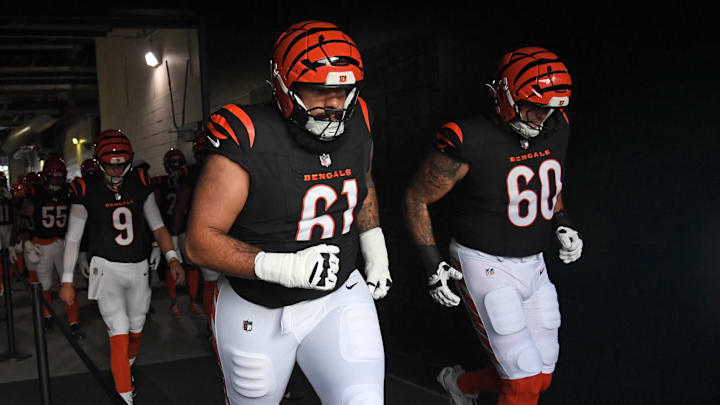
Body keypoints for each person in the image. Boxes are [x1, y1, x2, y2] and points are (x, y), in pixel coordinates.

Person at [184, 20, 392, 405]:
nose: (334, 103)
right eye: (320, 90)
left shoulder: (359, 117)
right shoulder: (247, 134)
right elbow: (198, 243)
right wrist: (285, 267)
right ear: (283, 85)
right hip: (256, 305)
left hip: (339, 294)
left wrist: (372, 243)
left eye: (343, 90)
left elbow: (361, 181)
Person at [404, 47, 583, 405]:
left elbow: (549, 182)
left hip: (534, 262)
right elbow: (417, 198)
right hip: (484, 263)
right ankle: (461, 384)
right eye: (534, 107)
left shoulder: (555, 125)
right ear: (505, 95)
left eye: (550, 109)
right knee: (522, 382)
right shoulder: (468, 138)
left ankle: (460, 384)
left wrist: (562, 221)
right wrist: (432, 265)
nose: (541, 119)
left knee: (541, 376)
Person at [59, 129, 185, 405]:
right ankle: (125, 396)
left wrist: (172, 256)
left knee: (136, 330)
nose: (116, 169)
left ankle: (125, 371)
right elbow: (73, 236)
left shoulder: (139, 181)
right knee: (119, 328)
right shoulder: (85, 187)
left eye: (121, 162)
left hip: (139, 267)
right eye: (111, 163)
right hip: (106, 268)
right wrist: (66, 280)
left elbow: (158, 225)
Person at [21, 157, 86, 338]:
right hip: (42, 243)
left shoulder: (69, 191)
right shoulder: (36, 193)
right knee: (45, 284)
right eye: (54, 177)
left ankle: (74, 322)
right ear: (45, 177)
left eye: (60, 177)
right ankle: (47, 316)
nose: (57, 181)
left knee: (68, 283)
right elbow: (24, 219)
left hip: (64, 243)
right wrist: (27, 243)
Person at [154, 148, 201, 317]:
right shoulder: (164, 182)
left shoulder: (181, 180)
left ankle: (190, 301)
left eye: (177, 164)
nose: (175, 168)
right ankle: (177, 302)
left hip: (184, 228)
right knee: (174, 266)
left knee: (190, 265)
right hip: (171, 229)